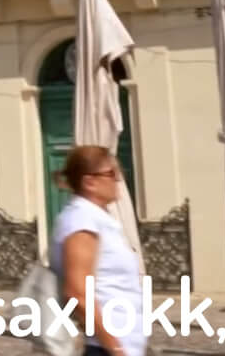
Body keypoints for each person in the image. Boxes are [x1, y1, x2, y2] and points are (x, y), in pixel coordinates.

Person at [51, 145, 148, 356]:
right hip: (103, 348)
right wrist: (115, 348)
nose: (119, 180)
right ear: (89, 182)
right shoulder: (82, 219)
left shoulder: (98, 218)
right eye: (112, 174)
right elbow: (77, 294)